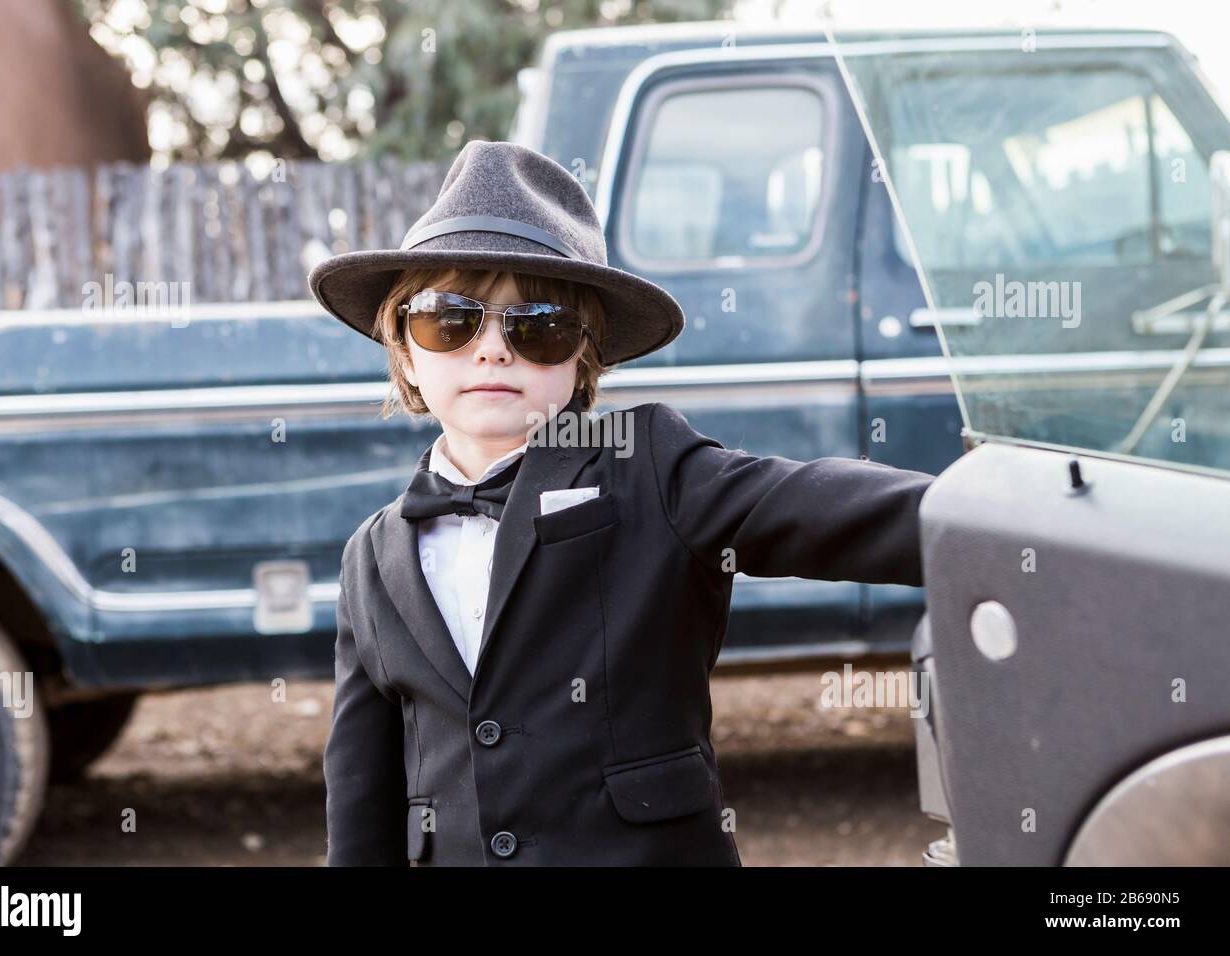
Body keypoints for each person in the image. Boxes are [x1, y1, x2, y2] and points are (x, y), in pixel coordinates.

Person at [308, 139, 935, 866]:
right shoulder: (372, 557)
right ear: (405, 350)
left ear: (583, 358)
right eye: (450, 319)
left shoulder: (652, 471)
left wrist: (1008, 516)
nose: (492, 350)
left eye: (537, 325)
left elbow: (824, 507)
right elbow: (360, 794)